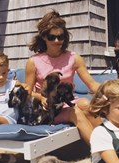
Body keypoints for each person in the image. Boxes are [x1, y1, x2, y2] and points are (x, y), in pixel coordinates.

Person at [25, 10, 101, 144]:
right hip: (49, 109)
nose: (57, 41)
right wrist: (41, 98)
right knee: (75, 112)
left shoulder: (74, 58)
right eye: (51, 37)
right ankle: (102, 153)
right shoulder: (33, 62)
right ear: (43, 37)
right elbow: (27, 92)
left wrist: (113, 92)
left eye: (60, 37)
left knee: (86, 104)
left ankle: (110, 144)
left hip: (69, 102)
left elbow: (92, 85)